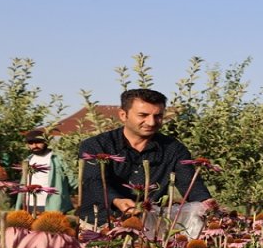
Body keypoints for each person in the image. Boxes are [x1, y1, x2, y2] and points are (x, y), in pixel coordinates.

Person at [77, 88, 212, 226]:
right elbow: (93, 181)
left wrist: (207, 204)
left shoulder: (173, 149)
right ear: (123, 115)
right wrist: (117, 200)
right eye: (143, 115)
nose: (151, 122)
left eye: (158, 116)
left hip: (148, 226)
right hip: (99, 224)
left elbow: (190, 184)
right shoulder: (96, 145)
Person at [16, 129, 76, 213]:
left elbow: (72, 181)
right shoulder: (28, 160)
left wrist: (62, 193)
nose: (34, 145)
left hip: (53, 204)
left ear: (46, 142)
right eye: (31, 143)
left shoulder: (58, 158)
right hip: (29, 204)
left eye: (38, 142)